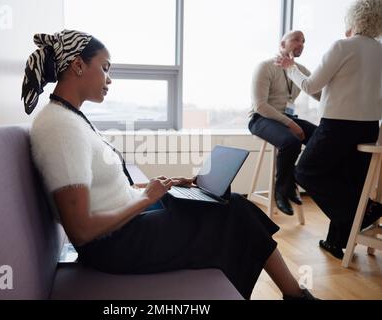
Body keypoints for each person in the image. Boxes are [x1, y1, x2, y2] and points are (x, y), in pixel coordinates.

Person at [22, 29, 318, 300]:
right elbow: (82, 230)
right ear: (78, 65)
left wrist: (156, 187)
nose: (109, 79)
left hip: (127, 224)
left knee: (225, 203)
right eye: (105, 68)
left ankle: (291, 294)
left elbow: (98, 190)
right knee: (234, 214)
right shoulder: (61, 127)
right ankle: (295, 295)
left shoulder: (69, 119)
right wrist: (147, 199)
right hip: (117, 245)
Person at [275, 0, 382, 259]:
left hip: (337, 126)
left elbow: (311, 86)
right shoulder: (379, 50)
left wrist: (291, 69)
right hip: (369, 128)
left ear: (353, 19)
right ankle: (336, 241)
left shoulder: (342, 46)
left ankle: (366, 209)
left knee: (305, 172)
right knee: (348, 180)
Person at [249, 30, 321, 216]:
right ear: (282, 44)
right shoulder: (265, 67)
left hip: (286, 118)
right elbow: (260, 105)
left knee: (322, 138)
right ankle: (281, 190)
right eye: (296, 39)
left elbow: (320, 95)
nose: (301, 44)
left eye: (304, 41)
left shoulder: (301, 71)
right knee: (291, 142)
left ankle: (294, 178)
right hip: (261, 118)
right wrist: (291, 124)